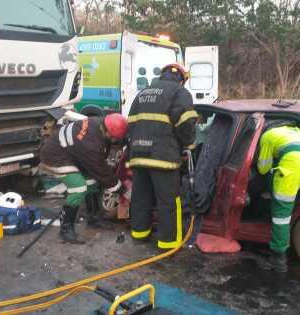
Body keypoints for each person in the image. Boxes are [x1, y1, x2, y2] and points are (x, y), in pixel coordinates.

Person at [127, 63, 197, 250]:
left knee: (141, 197)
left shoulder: (143, 93)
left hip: (139, 156)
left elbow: (131, 124)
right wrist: (188, 146)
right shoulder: (179, 93)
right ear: (181, 78)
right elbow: (186, 123)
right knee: (169, 201)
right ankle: (169, 242)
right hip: (163, 157)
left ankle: (139, 234)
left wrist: (134, 147)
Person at [39, 113, 128, 244]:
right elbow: (102, 171)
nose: (116, 142)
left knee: (92, 182)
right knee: (78, 187)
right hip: (54, 156)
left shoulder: (99, 122)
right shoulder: (91, 143)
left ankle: (94, 218)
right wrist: (121, 189)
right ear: (108, 133)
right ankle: (66, 229)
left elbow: (99, 165)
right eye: (115, 139)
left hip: (71, 152)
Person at [257, 121, 300, 272]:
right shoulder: (296, 131)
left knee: (281, 217)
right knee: (285, 202)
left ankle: (278, 259)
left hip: (293, 170)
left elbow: (263, 168)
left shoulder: (267, 136)